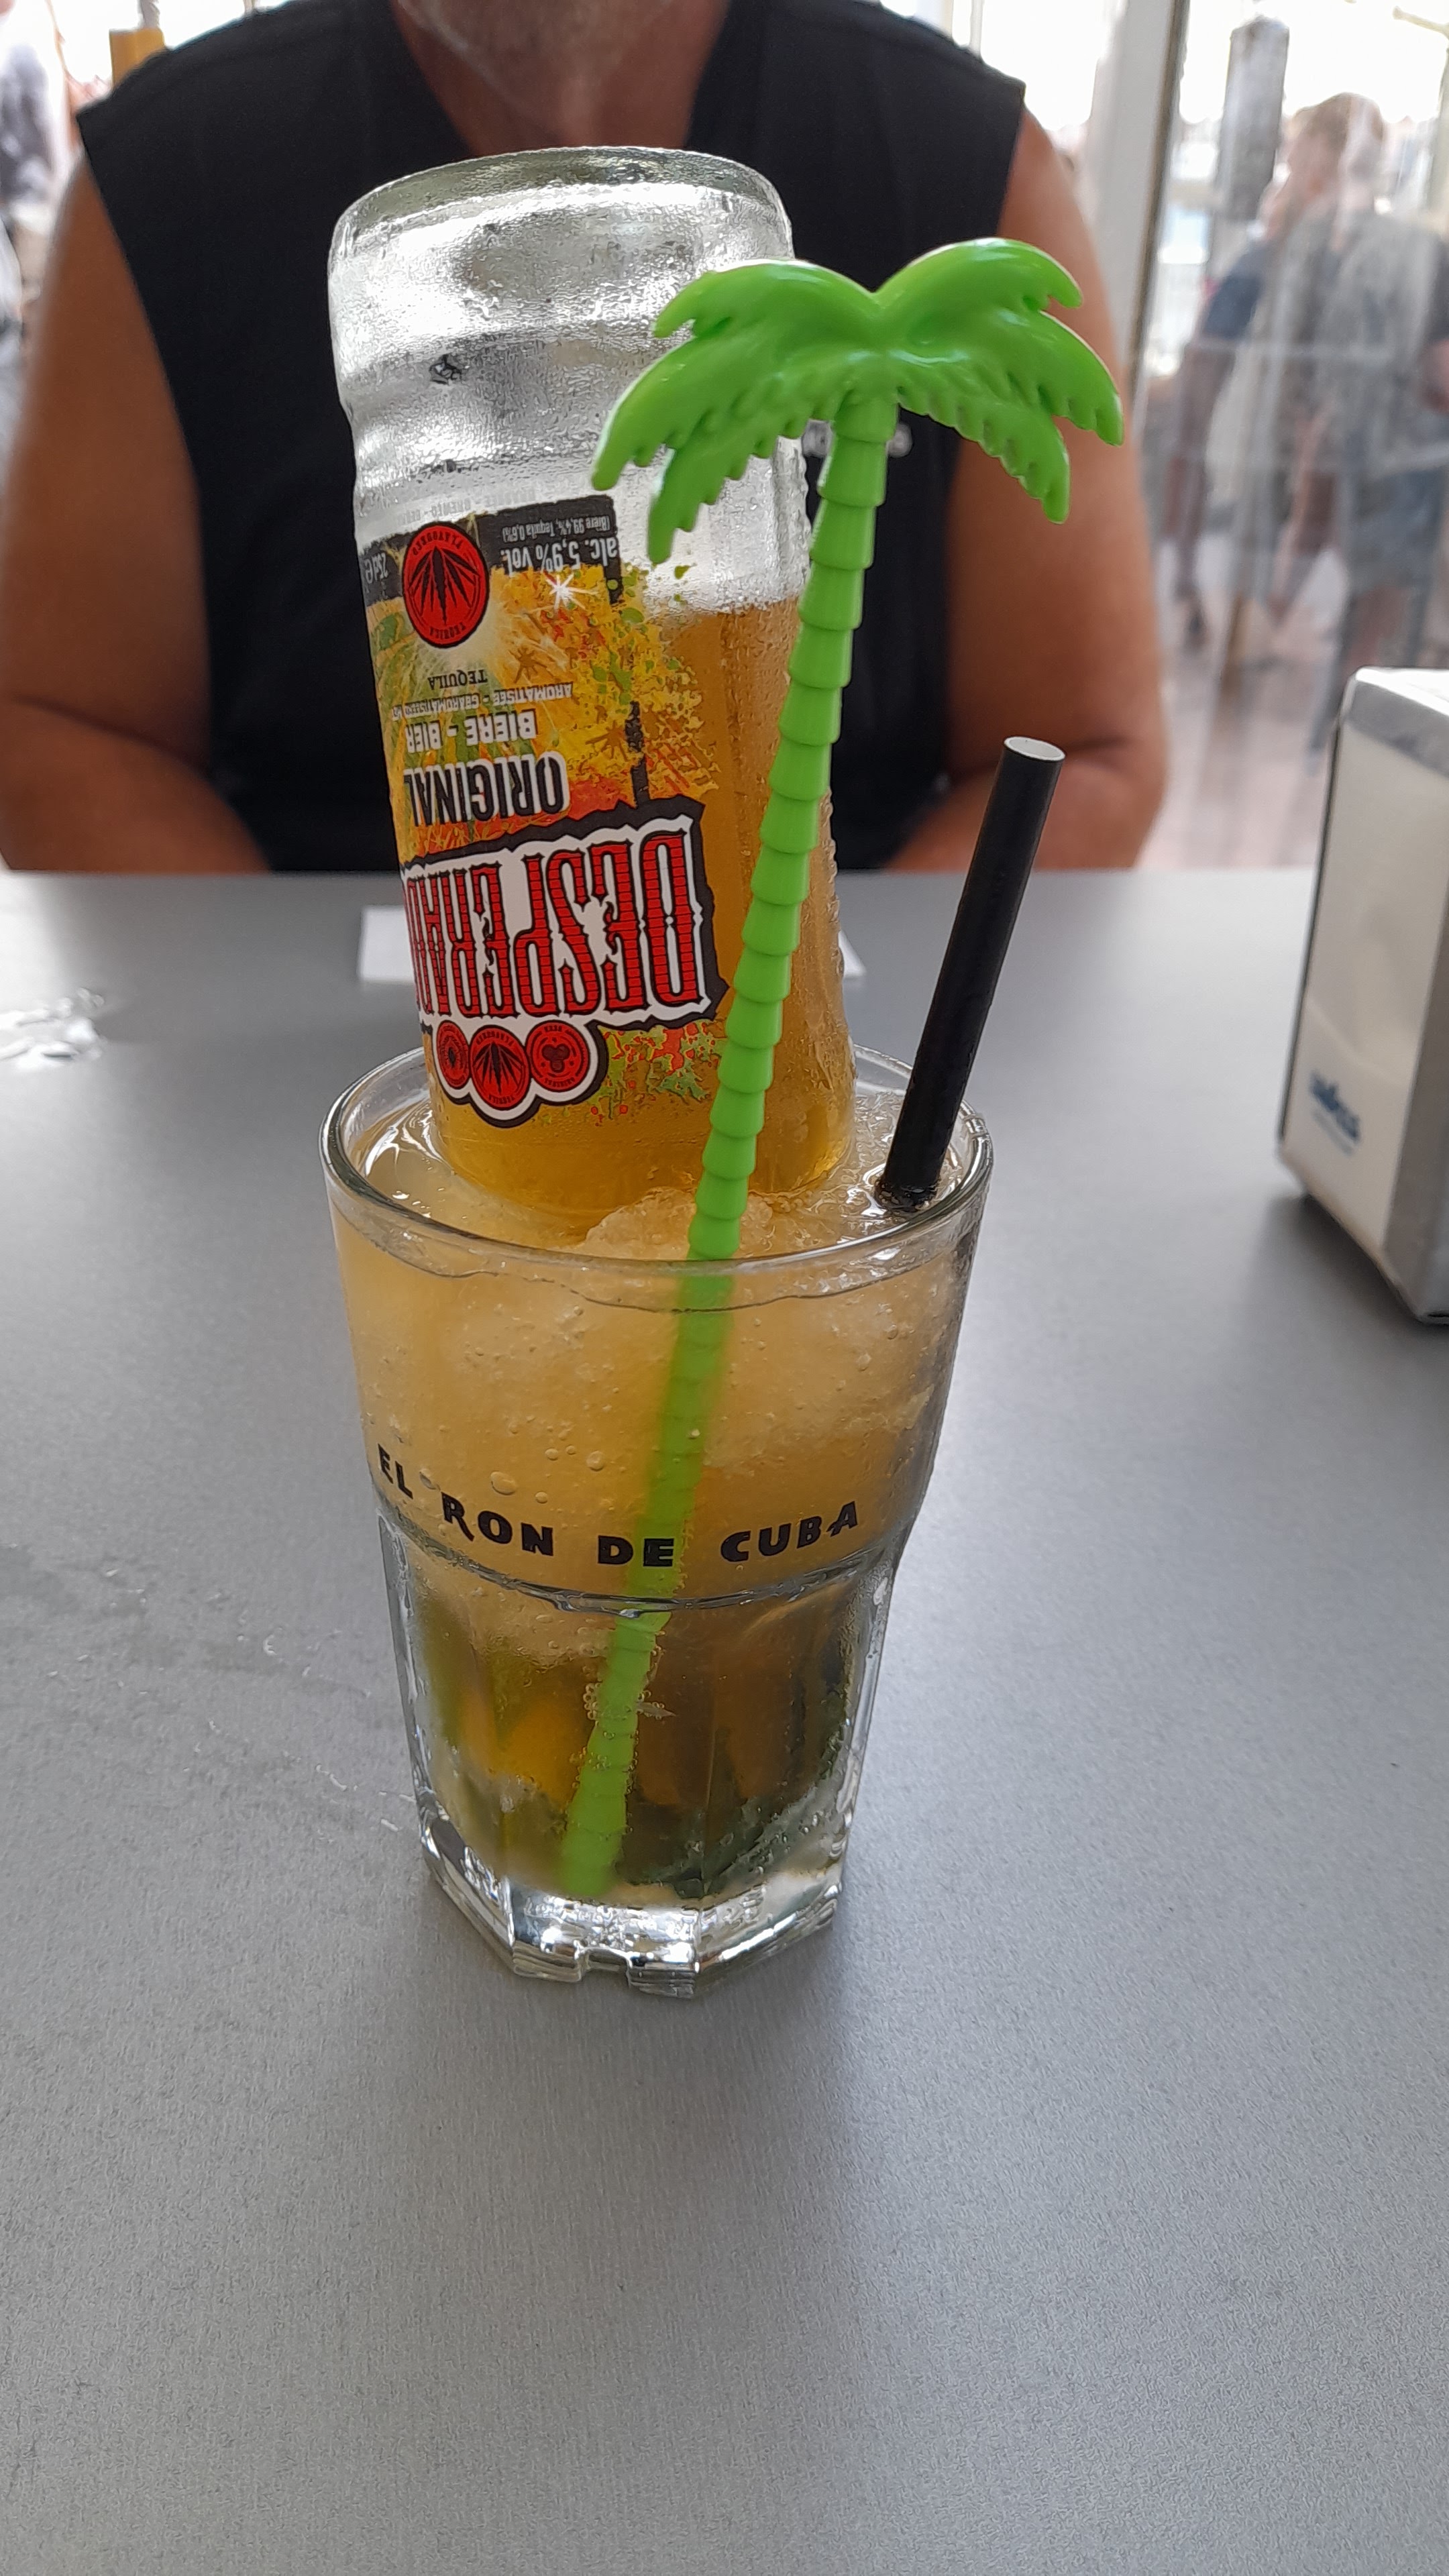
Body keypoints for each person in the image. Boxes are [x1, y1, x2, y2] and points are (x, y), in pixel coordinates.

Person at [0, 0, 1164, 876]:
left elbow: (1088, 751)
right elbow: (58, 728)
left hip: (841, 981)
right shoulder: (164, 178)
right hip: (321, 1005)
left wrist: (818, 1048)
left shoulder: (965, 158)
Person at [1159, 93, 1362, 647]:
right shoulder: (1283, 239)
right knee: (1204, 467)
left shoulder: (1325, 239)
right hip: (1241, 374)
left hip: (1267, 391)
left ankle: (1244, 613)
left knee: (1279, 503)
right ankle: (1204, 602)